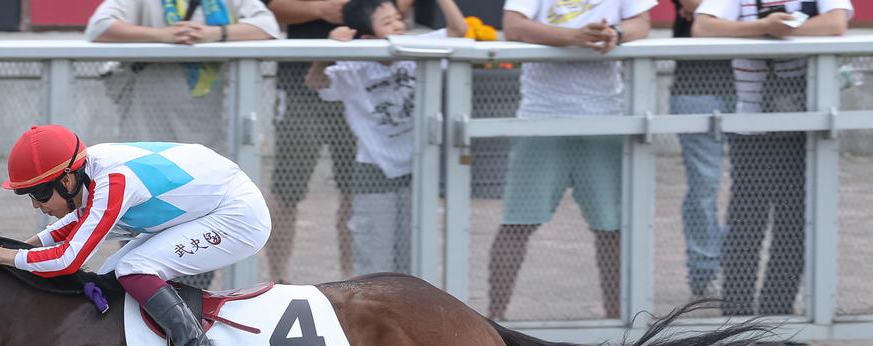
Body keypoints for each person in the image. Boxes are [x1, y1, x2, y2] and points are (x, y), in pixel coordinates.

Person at [0, 125, 273, 346]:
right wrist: (26, 247)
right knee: (108, 275)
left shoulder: (114, 180)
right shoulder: (86, 170)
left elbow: (68, 260)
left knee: (134, 268)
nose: (36, 204)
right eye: (29, 195)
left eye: (39, 193)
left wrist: (5, 256)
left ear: (66, 180)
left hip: (237, 215)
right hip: (206, 206)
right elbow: (80, 219)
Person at [486, 0, 653, 321]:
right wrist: (572, 37)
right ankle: (494, 320)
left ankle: (617, 321)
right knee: (516, 222)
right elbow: (514, 25)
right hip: (541, 116)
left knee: (612, 227)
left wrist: (614, 32)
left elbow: (642, 22)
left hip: (605, 116)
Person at [693, 0, 851, 316]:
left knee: (794, 227)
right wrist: (764, 27)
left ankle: (777, 321)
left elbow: (836, 24)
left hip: (805, 129)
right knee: (744, 226)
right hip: (750, 128)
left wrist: (784, 29)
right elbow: (703, 26)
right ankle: (736, 322)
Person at [306, 0, 465, 275]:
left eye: (398, 19)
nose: (398, 27)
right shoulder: (352, 67)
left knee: (413, 254)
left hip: (418, 166)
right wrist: (328, 49)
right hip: (374, 167)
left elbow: (458, 30)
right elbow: (316, 82)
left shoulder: (416, 49)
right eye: (388, 23)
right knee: (373, 255)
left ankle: (411, 315)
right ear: (367, 37)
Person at [262, 0, 411, 283]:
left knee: (352, 187)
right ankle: (279, 279)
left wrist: (378, 13)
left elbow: (396, 7)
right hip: (301, 86)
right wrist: (319, 10)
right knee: (287, 187)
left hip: (363, 86)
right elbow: (270, 10)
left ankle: (350, 277)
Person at [85, 0, 280, 155]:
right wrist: (163, 36)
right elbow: (99, 27)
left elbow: (268, 26)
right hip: (148, 122)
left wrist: (214, 33)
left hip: (211, 120)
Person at [668, 0, 735, 299]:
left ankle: (735, 267)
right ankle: (704, 272)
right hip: (696, 86)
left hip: (754, 84)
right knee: (704, 186)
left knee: (752, 187)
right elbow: (697, 10)